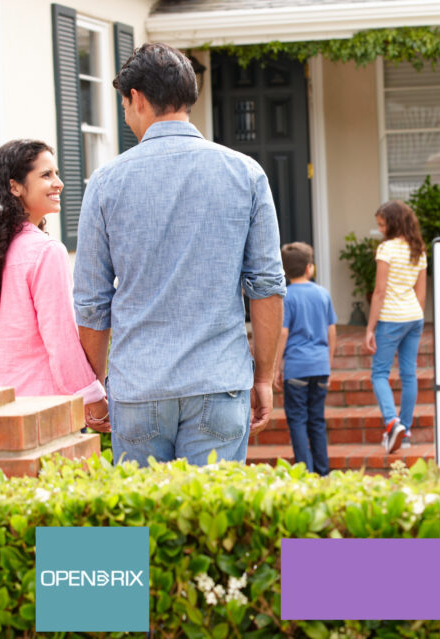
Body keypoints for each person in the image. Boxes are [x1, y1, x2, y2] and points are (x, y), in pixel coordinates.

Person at [73, 43, 285, 467]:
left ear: (136, 98)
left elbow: (92, 303)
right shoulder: (246, 173)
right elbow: (266, 288)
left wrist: (95, 387)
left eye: (125, 105)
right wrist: (263, 376)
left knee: (142, 528)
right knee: (210, 527)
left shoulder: (105, 183)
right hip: (219, 380)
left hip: (139, 387)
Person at [0, 140, 109, 431]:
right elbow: (61, 340)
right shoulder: (45, 252)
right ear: (15, 186)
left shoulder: (6, 249)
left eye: (57, 174)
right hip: (42, 410)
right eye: (46, 175)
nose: (59, 183)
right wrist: (92, 398)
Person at [364, 200, 427, 453]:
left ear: (393, 223)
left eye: (382, 224)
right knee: (408, 374)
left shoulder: (386, 249)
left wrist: (369, 328)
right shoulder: (418, 249)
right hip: (414, 317)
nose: (380, 229)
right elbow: (421, 294)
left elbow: (379, 292)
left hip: (391, 318)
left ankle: (392, 423)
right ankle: (407, 430)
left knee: (379, 373)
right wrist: (415, 317)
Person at [274, 242, 337, 475]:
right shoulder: (323, 294)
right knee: (317, 421)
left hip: (297, 368)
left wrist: (276, 368)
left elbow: (283, 333)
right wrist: (328, 365)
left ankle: (305, 472)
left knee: (298, 421)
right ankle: (323, 472)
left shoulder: (286, 297)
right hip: (320, 366)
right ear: (310, 268)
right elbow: (332, 332)